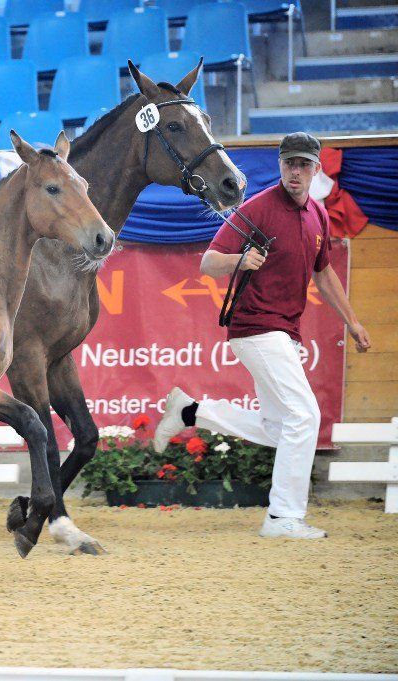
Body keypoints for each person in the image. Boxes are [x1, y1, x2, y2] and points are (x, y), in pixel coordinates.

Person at [153, 132, 372, 539]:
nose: (295, 171)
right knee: (304, 416)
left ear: (316, 169)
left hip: (284, 331)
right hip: (256, 326)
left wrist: (352, 322)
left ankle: (190, 412)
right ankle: (282, 517)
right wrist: (240, 259)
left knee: (280, 426)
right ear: (280, 165)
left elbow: (324, 274)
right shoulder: (257, 209)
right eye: (289, 163)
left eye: (303, 164)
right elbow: (208, 263)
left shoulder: (318, 215)